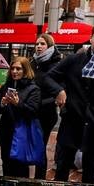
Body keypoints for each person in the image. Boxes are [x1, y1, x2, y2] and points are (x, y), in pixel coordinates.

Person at [46, 19, 94, 182]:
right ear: (91, 39)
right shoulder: (74, 60)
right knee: (62, 168)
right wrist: (59, 91)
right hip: (72, 124)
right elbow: (48, 77)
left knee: (90, 171)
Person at [0, 56, 43, 179]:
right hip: (6, 134)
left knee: (20, 169)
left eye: (18, 69)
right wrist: (2, 103)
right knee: (6, 166)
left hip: (22, 135)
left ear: (25, 70)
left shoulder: (33, 89)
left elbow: (33, 111)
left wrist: (18, 104)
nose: (14, 71)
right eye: (12, 68)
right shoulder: (6, 87)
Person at [31, 33, 63, 173]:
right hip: (32, 110)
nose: (39, 46)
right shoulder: (33, 63)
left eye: (42, 44)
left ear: (50, 46)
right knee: (32, 144)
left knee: (40, 145)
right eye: (37, 44)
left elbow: (59, 89)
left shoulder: (56, 64)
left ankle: (39, 177)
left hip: (46, 112)